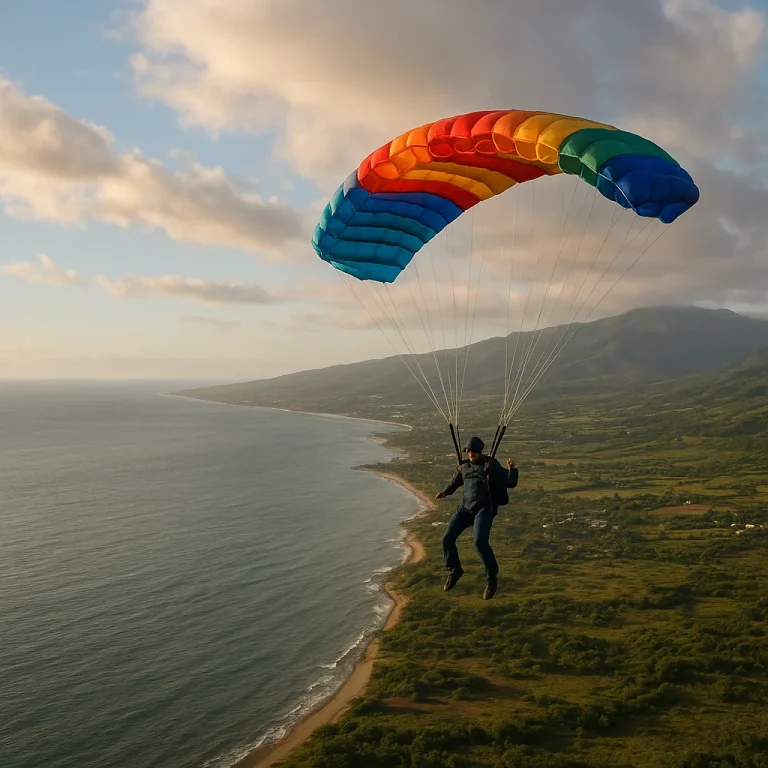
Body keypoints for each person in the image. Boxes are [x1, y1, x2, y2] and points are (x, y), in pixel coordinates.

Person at [435, 436, 518, 599]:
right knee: (447, 538)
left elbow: (510, 483)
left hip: (484, 508)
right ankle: (455, 570)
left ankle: (491, 577)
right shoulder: (463, 467)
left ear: (480, 451)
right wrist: (444, 492)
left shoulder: (491, 465)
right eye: (469, 451)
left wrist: (512, 470)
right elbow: (454, 483)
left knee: (479, 542)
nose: (471, 453)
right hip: (465, 509)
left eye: (474, 451)